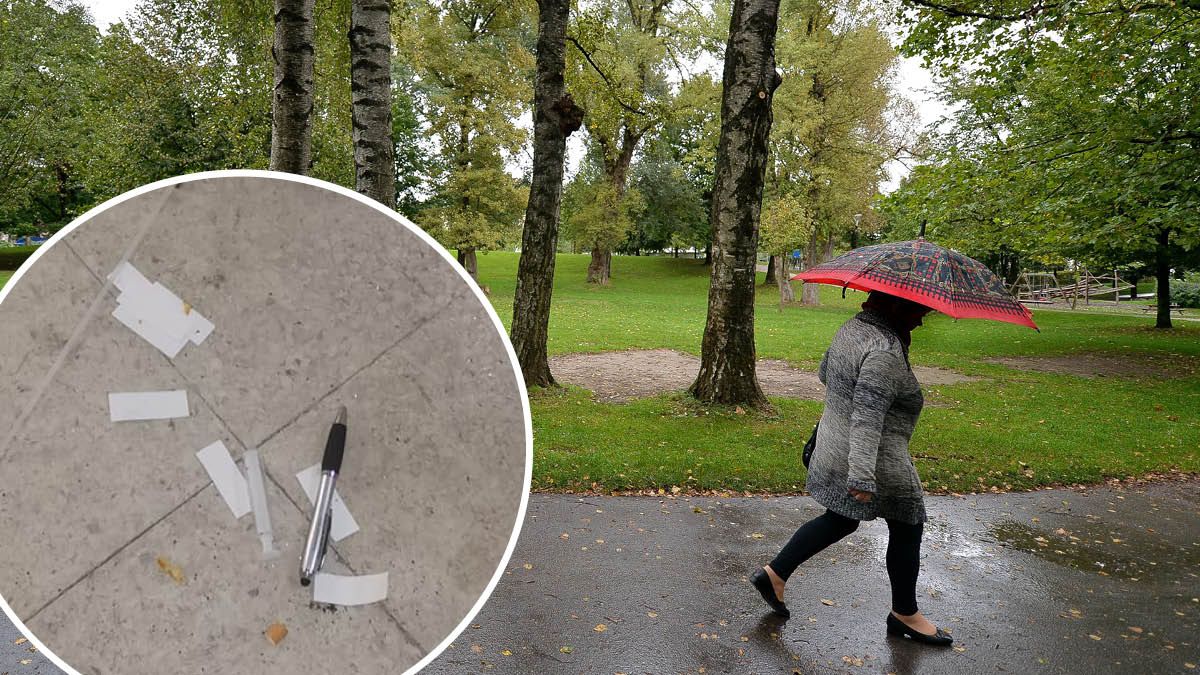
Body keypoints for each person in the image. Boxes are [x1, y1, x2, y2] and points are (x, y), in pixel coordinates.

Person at [749, 290, 953, 646]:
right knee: (908, 524)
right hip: (876, 457)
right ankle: (905, 613)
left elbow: (826, 372)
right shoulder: (885, 351)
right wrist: (861, 475)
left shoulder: (853, 328)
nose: (922, 319)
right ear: (896, 307)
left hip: (835, 441)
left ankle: (775, 574)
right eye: (919, 311)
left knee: (842, 518)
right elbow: (867, 417)